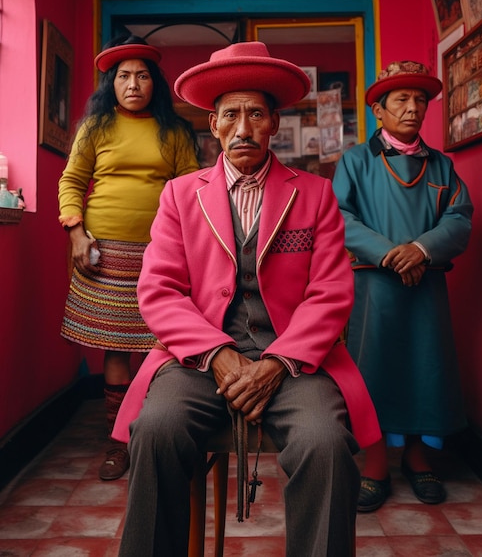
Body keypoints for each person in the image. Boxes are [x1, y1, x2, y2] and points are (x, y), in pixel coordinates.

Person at [112, 41, 381, 557]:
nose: (243, 127)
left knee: (325, 443)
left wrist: (277, 362)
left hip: (294, 360)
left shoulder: (315, 194)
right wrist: (216, 354)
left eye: (256, 113)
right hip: (197, 359)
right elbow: (160, 290)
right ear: (212, 124)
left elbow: (330, 292)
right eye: (230, 114)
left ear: (274, 123)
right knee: (157, 429)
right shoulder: (178, 195)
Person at [333, 60, 473, 512]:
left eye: (420, 100)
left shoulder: (442, 165)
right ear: (379, 109)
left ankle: (417, 457)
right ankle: (375, 463)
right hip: (375, 287)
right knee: (374, 369)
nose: (413, 108)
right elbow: (340, 218)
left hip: (425, 284)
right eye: (401, 100)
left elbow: (459, 218)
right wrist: (391, 254)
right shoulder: (355, 161)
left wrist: (420, 250)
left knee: (425, 367)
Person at [58, 35, 200, 481]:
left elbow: (193, 190)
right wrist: (77, 233)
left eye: (141, 75)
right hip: (104, 255)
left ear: (153, 83)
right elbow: (70, 182)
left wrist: (188, 249)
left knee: (161, 348)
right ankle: (118, 443)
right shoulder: (95, 129)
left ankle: (152, 436)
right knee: (117, 350)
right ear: (111, 84)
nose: (133, 83)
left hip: (163, 253)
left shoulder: (174, 133)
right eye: (123, 76)